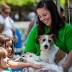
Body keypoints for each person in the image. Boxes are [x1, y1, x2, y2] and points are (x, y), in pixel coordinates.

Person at [24, 0, 72, 71]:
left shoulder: (67, 29)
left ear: (53, 12)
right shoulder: (36, 30)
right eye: (40, 16)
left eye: (45, 15)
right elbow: (28, 52)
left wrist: (63, 68)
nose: (42, 19)